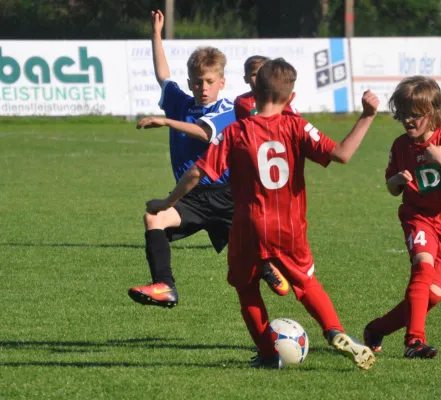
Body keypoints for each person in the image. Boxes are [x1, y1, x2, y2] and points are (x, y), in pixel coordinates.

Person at [145, 58, 380, 370]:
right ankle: (334, 329)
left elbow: (197, 173)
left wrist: (166, 202)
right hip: (290, 226)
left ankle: (269, 355)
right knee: (307, 284)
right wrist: (366, 117)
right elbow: (342, 154)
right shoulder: (297, 126)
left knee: (246, 288)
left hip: (247, 228)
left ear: (253, 93)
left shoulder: (237, 132)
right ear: (291, 97)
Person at [127, 10, 287, 309]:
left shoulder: (229, 109)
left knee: (245, 257)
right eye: (198, 82)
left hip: (226, 197)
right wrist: (156, 35)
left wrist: (166, 122)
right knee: (154, 218)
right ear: (190, 83)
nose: (203, 88)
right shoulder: (179, 102)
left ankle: (266, 267)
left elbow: (203, 133)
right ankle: (165, 286)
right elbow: (163, 75)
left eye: (209, 82)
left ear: (222, 82)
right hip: (190, 196)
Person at [363, 76, 441, 358]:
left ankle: (376, 329)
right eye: (403, 114)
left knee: (430, 295)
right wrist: (396, 179)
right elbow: (392, 188)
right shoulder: (399, 146)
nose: (408, 120)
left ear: (431, 113)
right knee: (422, 266)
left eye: (415, 115)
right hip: (418, 216)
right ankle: (414, 342)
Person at [234, 55, 299, 119]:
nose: (259, 78)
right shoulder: (241, 101)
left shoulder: (279, 97)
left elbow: (296, 122)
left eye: (262, 74)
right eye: (254, 74)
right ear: (246, 79)